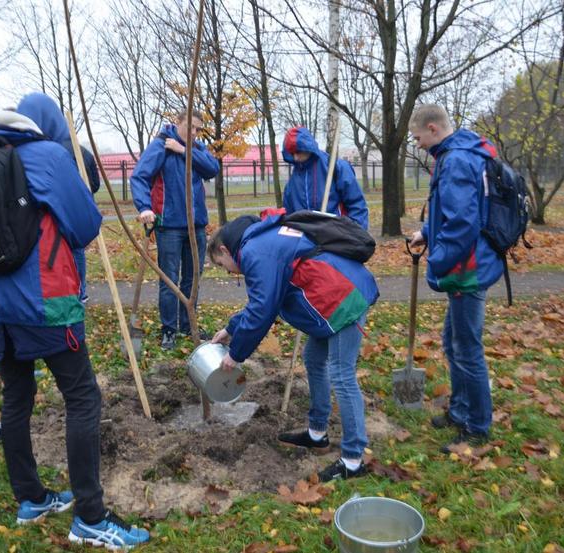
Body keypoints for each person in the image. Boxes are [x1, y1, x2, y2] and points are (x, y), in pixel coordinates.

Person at [0, 93, 149, 548]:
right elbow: (85, 224)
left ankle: (31, 497)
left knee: (16, 395)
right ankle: (91, 516)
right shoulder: (45, 156)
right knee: (82, 398)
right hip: (44, 303)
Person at [209, 214, 379, 482]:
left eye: (222, 265)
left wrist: (235, 355)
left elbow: (262, 309)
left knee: (342, 375)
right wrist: (231, 329)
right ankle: (317, 433)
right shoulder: (261, 241)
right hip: (330, 299)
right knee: (313, 358)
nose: (229, 273)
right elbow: (268, 299)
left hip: (342, 300)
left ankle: (353, 459)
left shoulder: (255, 252)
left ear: (224, 250)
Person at [408, 104, 503, 453]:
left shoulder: (457, 161)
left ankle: (477, 429)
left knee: (467, 350)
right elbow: (448, 213)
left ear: (433, 128)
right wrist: (426, 233)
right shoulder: (453, 155)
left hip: (468, 270)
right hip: (467, 264)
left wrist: (438, 263)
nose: (417, 144)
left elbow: (462, 225)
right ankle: (461, 411)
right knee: (453, 343)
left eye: (418, 137)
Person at [130, 110, 220, 350]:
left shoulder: (196, 148)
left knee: (192, 279)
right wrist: (145, 207)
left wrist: (184, 151)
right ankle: (169, 329)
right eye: (190, 127)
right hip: (168, 225)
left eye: (198, 130)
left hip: (196, 226)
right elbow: (139, 177)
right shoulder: (161, 145)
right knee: (170, 280)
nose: (194, 133)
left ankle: (186, 324)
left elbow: (213, 169)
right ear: (177, 122)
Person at [282, 126, 368, 228]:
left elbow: (356, 204)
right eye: (292, 153)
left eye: (298, 151)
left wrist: (356, 235)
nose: (295, 157)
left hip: (336, 235)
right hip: (304, 239)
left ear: (306, 147)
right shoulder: (292, 181)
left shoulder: (337, 168)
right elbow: (289, 214)